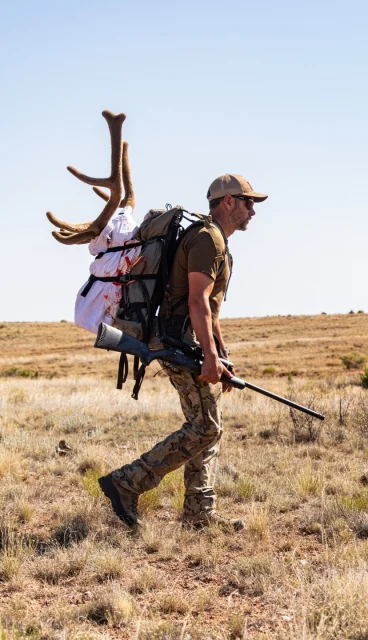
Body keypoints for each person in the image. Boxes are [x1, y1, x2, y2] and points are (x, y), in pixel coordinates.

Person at [98, 174, 268, 530]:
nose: (253, 210)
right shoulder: (208, 240)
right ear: (228, 202)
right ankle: (126, 483)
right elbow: (196, 301)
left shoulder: (215, 240)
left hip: (190, 342)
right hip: (179, 343)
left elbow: (211, 308)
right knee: (205, 427)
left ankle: (198, 515)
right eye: (248, 202)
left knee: (206, 427)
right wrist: (208, 354)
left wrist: (221, 354)